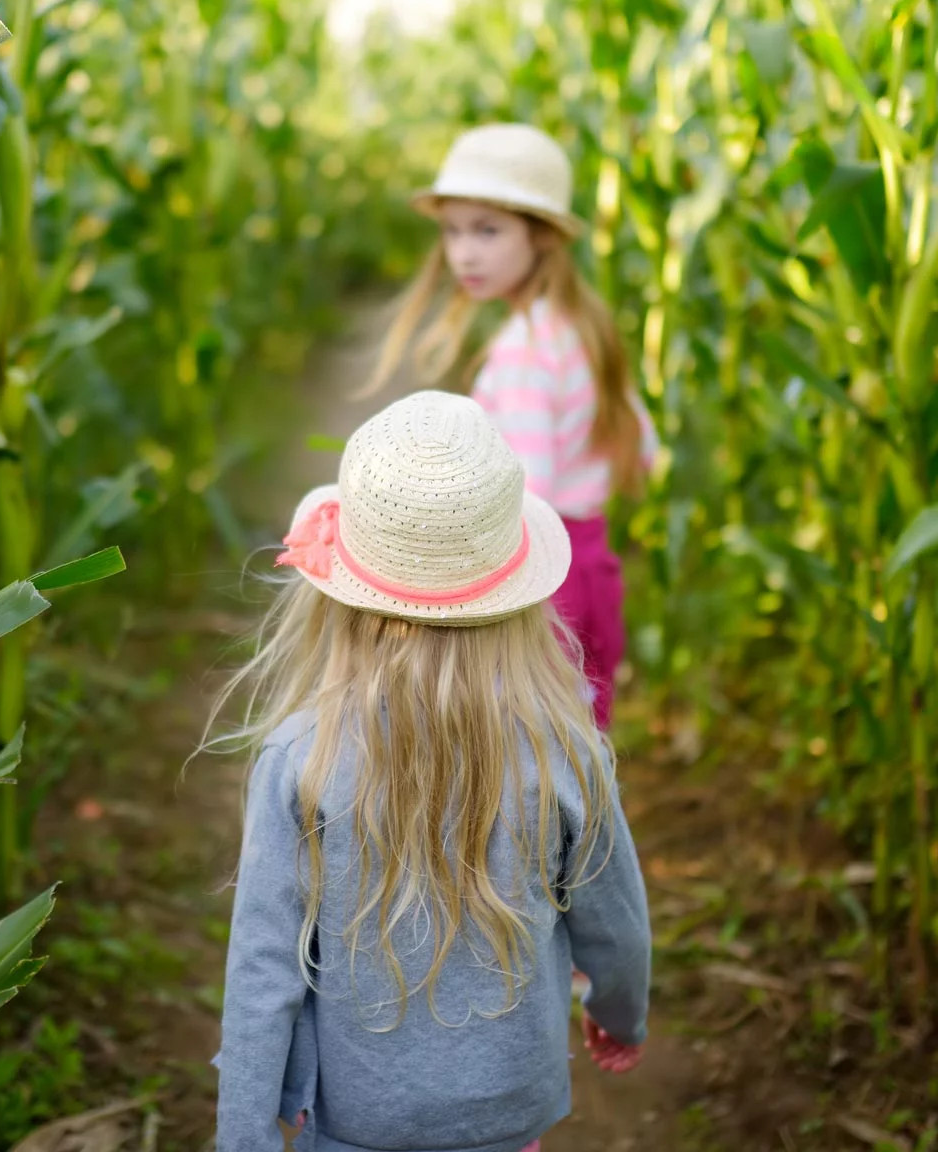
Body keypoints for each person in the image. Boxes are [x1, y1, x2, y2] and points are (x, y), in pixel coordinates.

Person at [209, 391, 652, 1152]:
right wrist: (621, 1016)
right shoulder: (566, 751)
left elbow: (262, 975)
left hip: (355, 1118)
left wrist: (243, 1138)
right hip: (507, 1112)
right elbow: (615, 927)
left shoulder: (302, 755)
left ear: (341, 600)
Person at [364, 123, 658, 730]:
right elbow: (645, 447)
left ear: (543, 236)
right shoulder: (581, 325)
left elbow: (528, 502)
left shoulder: (523, 350)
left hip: (545, 591)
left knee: (531, 765)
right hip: (592, 569)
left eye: (488, 230)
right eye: (452, 231)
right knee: (580, 755)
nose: (464, 253)